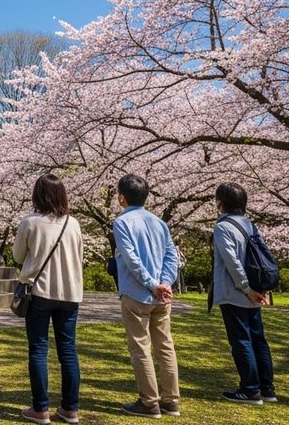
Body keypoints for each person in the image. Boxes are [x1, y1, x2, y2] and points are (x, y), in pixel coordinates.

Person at [13, 173, 84, 424]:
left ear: (37, 194)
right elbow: (79, 255)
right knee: (68, 350)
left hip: (39, 292)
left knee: (39, 349)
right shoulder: (73, 223)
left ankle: (41, 409)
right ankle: (70, 408)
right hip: (70, 293)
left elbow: (18, 256)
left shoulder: (30, 222)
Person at [112, 173, 180, 418]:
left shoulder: (122, 222)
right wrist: (165, 282)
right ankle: (171, 400)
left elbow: (131, 259)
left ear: (122, 197)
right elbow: (173, 256)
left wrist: (153, 285)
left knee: (140, 347)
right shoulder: (159, 223)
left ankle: (149, 402)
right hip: (162, 296)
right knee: (165, 346)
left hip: (137, 293)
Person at [212, 182, 276, 405]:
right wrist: (258, 289)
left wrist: (246, 289)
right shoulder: (250, 225)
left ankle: (249, 389)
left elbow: (231, 262)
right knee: (259, 340)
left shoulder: (223, 227)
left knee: (241, 341)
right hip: (255, 292)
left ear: (220, 203)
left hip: (236, 292)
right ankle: (267, 388)